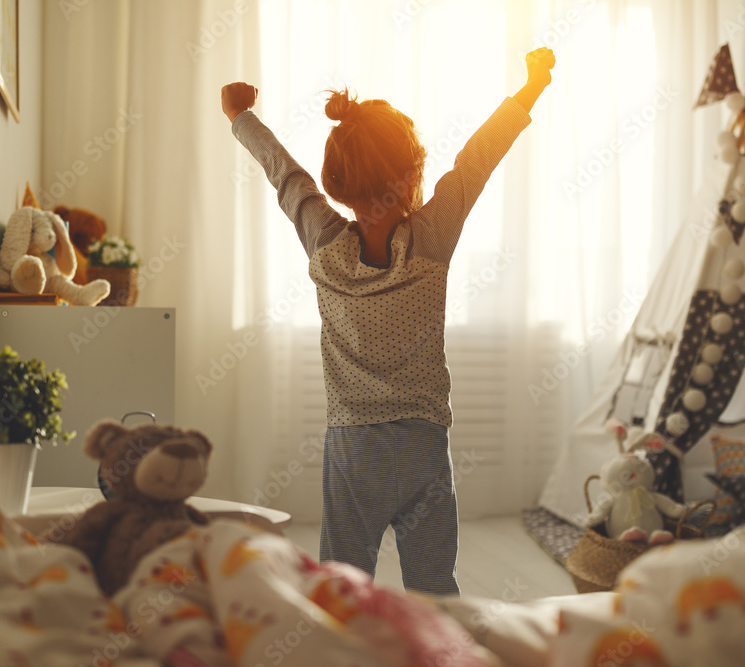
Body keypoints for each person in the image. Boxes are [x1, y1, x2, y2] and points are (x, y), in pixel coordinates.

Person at [222, 47, 555, 595]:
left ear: (336, 183)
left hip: (354, 446)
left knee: (343, 584)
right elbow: (476, 162)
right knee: (434, 589)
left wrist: (240, 116)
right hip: (424, 441)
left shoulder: (324, 243)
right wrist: (531, 87)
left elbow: (285, 174)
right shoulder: (430, 239)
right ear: (411, 176)